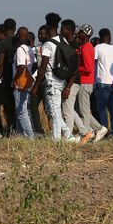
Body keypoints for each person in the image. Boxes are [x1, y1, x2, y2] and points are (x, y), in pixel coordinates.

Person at [32, 13, 77, 142]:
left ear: (46, 26)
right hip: (61, 81)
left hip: (51, 81)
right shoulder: (63, 41)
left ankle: (56, 142)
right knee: (53, 111)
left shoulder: (48, 45)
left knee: (55, 113)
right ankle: (70, 137)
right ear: (57, 26)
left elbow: (42, 68)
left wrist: (35, 87)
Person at [75, 24, 107, 141]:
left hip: (85, 82)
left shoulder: (86, 48)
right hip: (84, 82)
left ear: (85, 34)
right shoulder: (85, 47)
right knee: (82, 110)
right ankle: (99, 128)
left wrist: (76, 69)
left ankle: (85, 132)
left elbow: (88, 68)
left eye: (80, 32)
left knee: (83, 111)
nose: (78, 33)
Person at [93, 28, 113, 137]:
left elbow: (94, 64)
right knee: (112, 108)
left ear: (100, 37)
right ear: (110, 35)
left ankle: (104, 130)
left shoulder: (98, 47)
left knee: (101, 108)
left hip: (102, 83)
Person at [0, 19, 17, 135]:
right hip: (16, 80)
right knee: (11, 108)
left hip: (5, 81)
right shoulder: (19, 42)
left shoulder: (3, 44)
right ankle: (13, 131)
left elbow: (0, 65)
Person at [12, 26, 36, 138]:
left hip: (20, 83)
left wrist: (14, 79)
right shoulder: (30, 49)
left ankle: (30, 136)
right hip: (28, 82)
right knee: (23, 109)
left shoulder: (20, 49)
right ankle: (21, 135)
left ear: (19, 36)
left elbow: (21, 66)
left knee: (21, 112)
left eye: (18, 34)